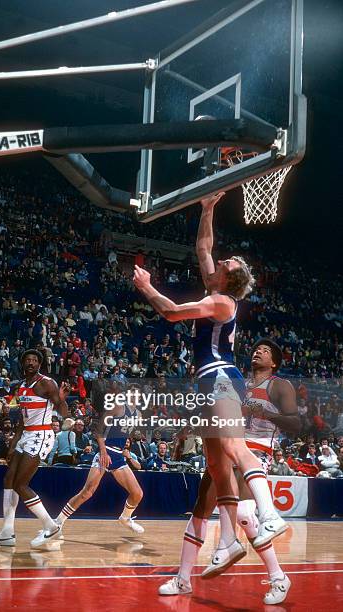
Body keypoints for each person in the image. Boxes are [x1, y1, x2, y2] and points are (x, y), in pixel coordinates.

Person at [134, 193, 287, 570]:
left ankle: (270, 515)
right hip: (209, 380)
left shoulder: (222, 302)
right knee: (217, 467)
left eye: (225, 263)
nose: (218, 260)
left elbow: (170, 312)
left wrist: (146, 286)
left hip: (221, 377)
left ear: (229, 278)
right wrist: (208, 208)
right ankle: (230, 542)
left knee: (234, 448)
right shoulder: (216, 289)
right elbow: (203, 245)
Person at [159, 338, 300, 605]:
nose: (258, 351)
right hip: (227, 447)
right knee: (200, 508)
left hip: (254, 453)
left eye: (266, 350)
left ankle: (279, 576)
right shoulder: (234, 381)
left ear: (275, 362)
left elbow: (295, 423)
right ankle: (183, 579)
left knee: (246, 513)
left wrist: (267, 413)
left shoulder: (280, 385)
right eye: (257, 348)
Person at [0, 349, 69, 548]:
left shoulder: (47, 383)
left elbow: (63, 414)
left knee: (20, 484)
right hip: (26, 434)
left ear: (39, 364)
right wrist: (13, 445)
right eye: (27, 360)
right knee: (8, 480)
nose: (30, 362)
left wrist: (61, 398)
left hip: (41, 434)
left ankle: (51, 525)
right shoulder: (20, 387)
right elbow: (23, 420)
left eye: (34, 360)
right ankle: (6, 533)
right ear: (23, 364)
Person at [54, 383, 145, 535]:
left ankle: (125, 518)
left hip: (118, 456)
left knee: (137, 494)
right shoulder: (118, 407)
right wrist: (103, 451)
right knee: (87, 492)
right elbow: (98, 430)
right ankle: (58, 522)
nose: (134, 396)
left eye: (137, 394)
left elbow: (123, 433)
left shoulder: (139, 415)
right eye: (132, 393)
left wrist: (124, 449)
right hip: (106, 451)